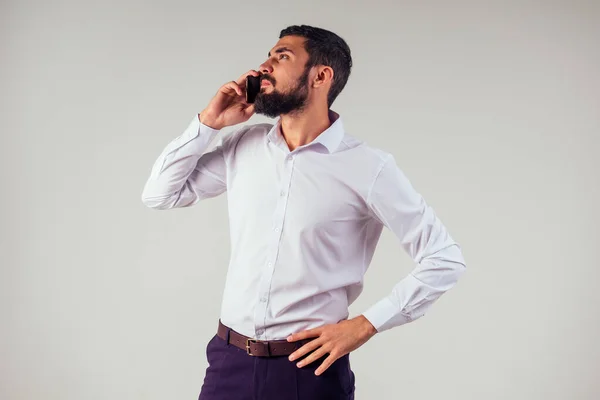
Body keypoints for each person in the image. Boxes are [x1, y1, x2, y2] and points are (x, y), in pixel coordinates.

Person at [141, 24, 466, 400]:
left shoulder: (368, 167)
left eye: (282, 56)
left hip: (308, 372)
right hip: (229, 362)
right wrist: (208, 124)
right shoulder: (243, 146)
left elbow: (444, 258)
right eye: (268, 56)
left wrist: (365, 325)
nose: (264, 66)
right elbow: (160, 194)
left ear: (321, 76)